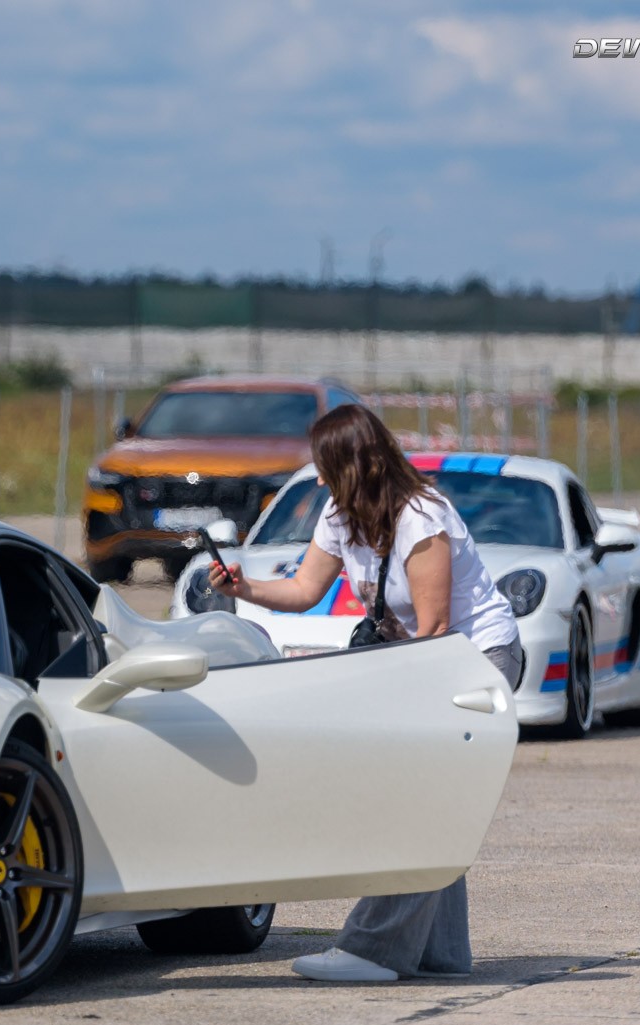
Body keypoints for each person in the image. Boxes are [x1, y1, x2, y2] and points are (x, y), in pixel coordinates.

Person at [205, 403, 523, 983]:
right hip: (422, 661)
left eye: (325, 467)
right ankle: (441, 955)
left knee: (420, 801)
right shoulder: (340, 514)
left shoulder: (422, 516)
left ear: (353, 465)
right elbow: (305, 590)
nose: (318, 479)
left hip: (475, 660)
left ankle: (374, 950)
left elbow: (434, 627)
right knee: (437, 802)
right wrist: (244, 587)